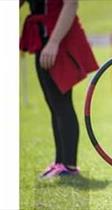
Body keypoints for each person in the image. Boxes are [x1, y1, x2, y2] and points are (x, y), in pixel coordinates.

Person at [20, 0, 99, 178]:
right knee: (54, 105)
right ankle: (60, 163)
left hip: (57, 39)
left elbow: (71, 3)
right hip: (42, 38)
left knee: (61, 104)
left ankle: (69, 166)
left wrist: (54, 43)